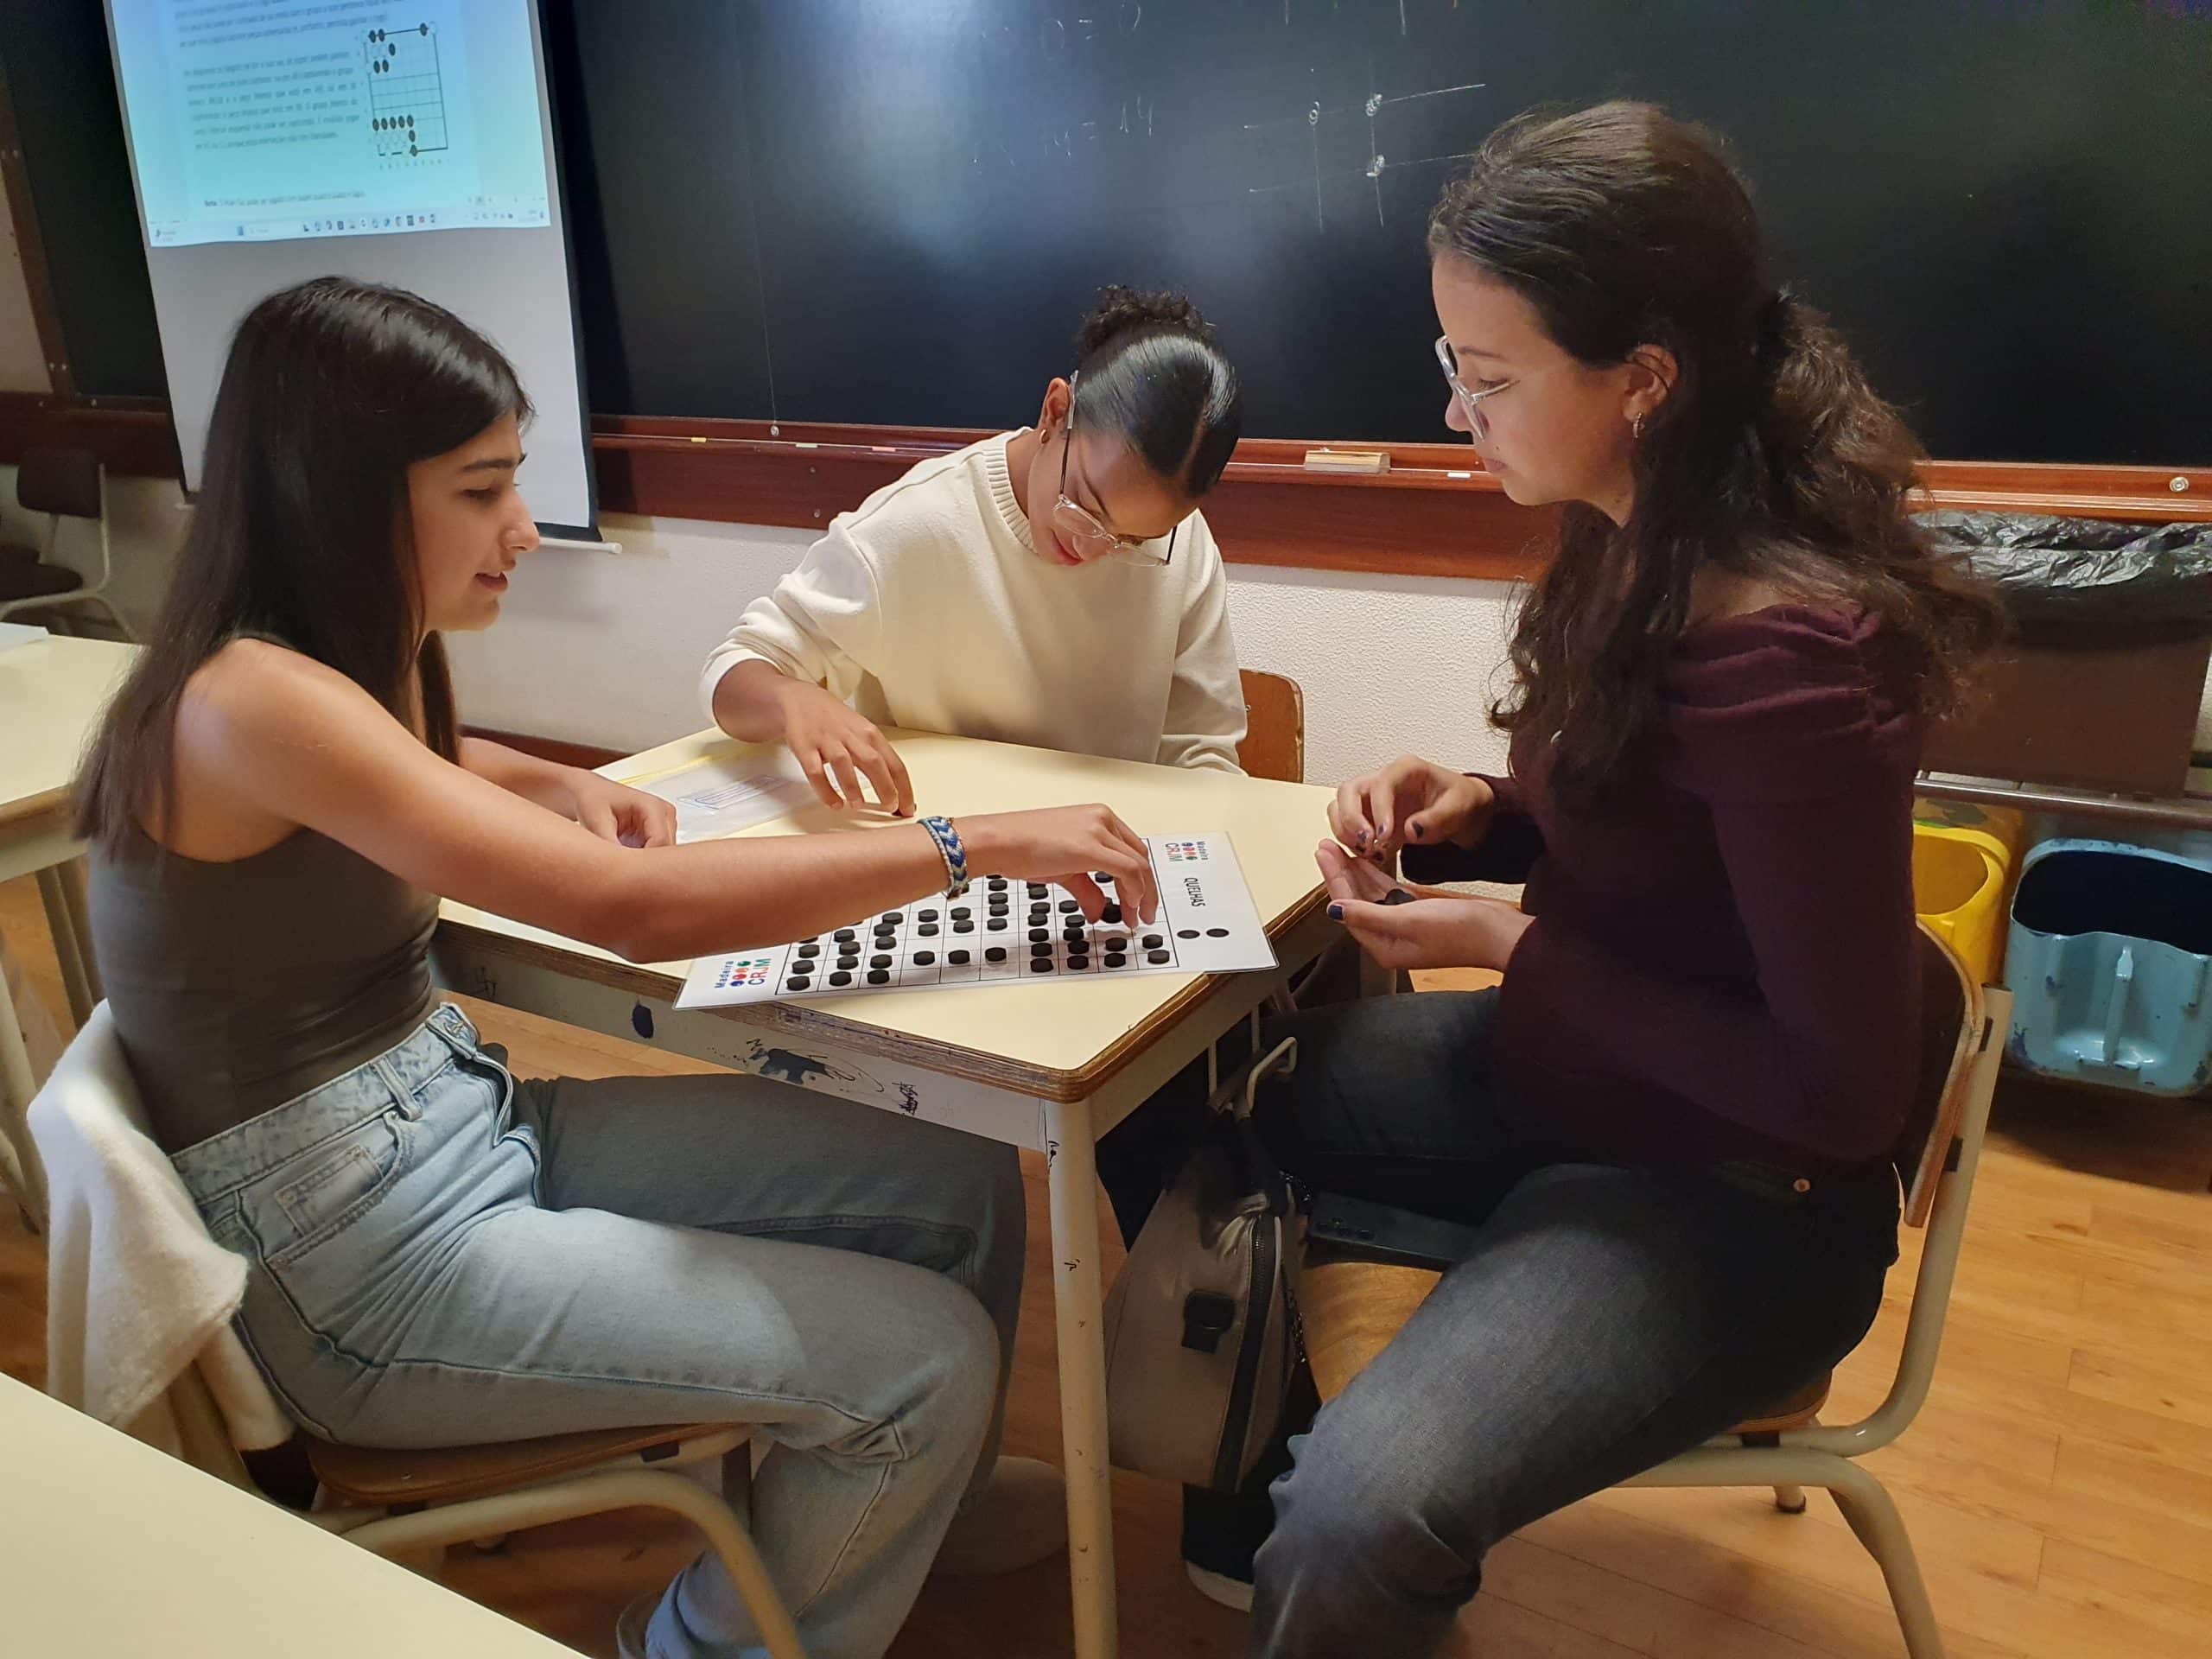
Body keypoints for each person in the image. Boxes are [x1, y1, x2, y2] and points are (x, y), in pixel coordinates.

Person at [73, 276, 1166, 1659]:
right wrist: (969, 845)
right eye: (482, 491)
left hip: (451, 1129)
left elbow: (419, 765)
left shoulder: (315, 670)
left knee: (954, 1179)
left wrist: (554, 782)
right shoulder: (250, 700)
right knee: (921, 1366)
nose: (525, 528)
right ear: (339, 494)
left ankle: (910, 1509)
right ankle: (704, 1637)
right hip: (357, 1267)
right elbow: (633, 912)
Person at [1113, 102, 2004, 1646]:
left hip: (1736, 1190)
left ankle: (1415, 1408)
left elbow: (1843, 1096)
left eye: (1491, 375)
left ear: (1643, 380)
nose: (1456, 410)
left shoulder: (1794, 658)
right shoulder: (1640, 525)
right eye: (1452, 361)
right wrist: (1479, 808)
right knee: (1159, 1099)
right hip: (1572, 1083)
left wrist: (1514, 947)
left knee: (1355, 1521)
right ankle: (1378, 1367)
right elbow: (1649, 812)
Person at [701, 287, 1249, 813]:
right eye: (1085, 506)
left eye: (1133, 542)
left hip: (1108, 849)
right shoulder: (916, 524)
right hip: (945, 848)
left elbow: (1203, 753)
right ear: (1055, 412)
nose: (1093, 548)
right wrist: (796, 702)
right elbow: (734, 668)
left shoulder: (1182, 543)